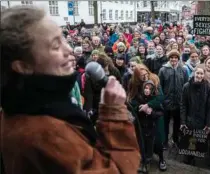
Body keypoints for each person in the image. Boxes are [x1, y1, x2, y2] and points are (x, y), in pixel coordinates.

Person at [0, 6, 140, 174]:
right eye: (55, 45)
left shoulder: (30, 105)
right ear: (22, 66)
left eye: (63, 39)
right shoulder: (46, 135)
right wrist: (114, 115)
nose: (69, 50)